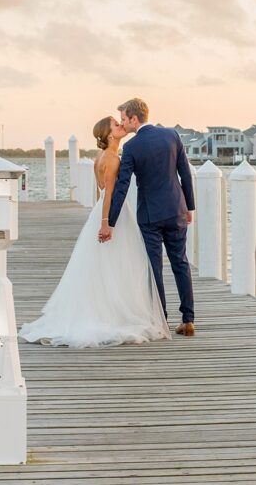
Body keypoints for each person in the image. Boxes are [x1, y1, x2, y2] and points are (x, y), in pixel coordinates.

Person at [18, 116, 169, 347]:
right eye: (116, 125)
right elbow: (108, 193)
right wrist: (106, 223)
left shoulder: (100, 156)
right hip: (110, 214)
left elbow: (100, 193)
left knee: (106, 265)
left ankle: (109, 308)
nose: (121, 126)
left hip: (103, 211)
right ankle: (113, 314)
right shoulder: (111, 158)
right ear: (110, 135)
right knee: (119, 263)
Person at [101, 98, 197, 336]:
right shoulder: (171, 135)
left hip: (150, 215)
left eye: (124, 119)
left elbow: (122, 187)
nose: (123, 123)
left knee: (154, 268)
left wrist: (110, 222)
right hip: (177, 209)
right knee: (180, 263)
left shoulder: (132, 147)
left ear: (134, 118)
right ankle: (188, 320)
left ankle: (160, 320)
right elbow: (185, 173)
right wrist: (190, 207)